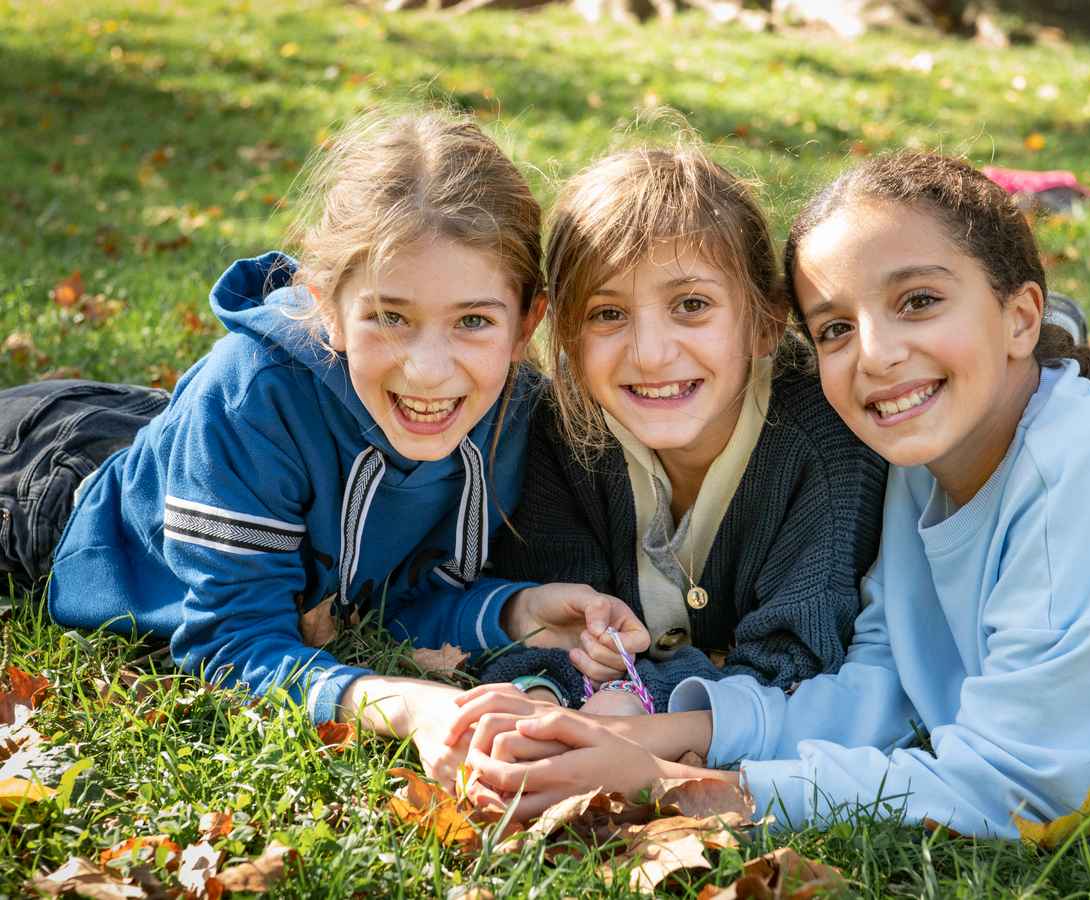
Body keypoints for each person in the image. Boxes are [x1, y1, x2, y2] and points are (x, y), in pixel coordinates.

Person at [448, 151, 1090, 838]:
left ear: (1021, 315)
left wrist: (677, 785)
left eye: (918, 302)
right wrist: (671, 730)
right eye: (835, 328)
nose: (879, 354)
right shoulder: (912, 462)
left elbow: (1026, 794)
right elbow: (884, 688)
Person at [0, 109, 646, 787]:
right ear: (326, 307)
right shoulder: (253, 393)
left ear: (526, 323)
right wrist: (405, 706)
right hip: (43, 485)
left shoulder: (510, 411)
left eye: (474, 321)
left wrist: (520, 612)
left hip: (178, 439)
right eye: (389, 317)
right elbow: (231, 642)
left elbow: (396, 598)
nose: (429, 369)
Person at [473, 146, 888, 714]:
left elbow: (795, 657)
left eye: (691, 305)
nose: (649, 355)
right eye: (607, 313)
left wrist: (639, 699)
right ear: (567, 335)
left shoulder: (822, 437)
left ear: (765, 323)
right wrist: (544, 694)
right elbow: (555, 622)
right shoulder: (565, 431)